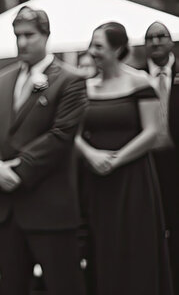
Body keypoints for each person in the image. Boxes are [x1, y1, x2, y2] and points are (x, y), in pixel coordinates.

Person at [0, 6, 87, 295]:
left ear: (46, 35)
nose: (22, 42)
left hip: (49, 206)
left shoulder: (70, 80)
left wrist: (18, 169)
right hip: (6, 211)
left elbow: (62, 135)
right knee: (11, 288)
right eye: (18, 35)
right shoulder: (1, 81)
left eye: (29, 35)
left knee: (64, 286)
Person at [76, 22, 173, 294]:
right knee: (103, 243)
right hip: (97, 180)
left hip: (134, 178)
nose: (92, 51)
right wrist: (91, 155)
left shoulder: (140, 82)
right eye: (91, 45)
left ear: (117, 49)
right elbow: (73, 133)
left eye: (99, 46)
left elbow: (152, 131)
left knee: (136, 242)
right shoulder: (85, 87)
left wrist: (116, 159)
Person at [141, 21, 179, 294]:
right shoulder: (137, 77)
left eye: (161, 36)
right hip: (148, 161)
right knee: (152, 225)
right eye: (150, 38)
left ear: (171, 41)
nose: (156, 42)